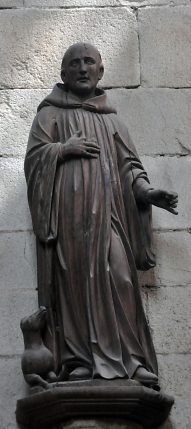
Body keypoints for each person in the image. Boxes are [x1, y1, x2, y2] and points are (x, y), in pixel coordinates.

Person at [24, 43, 178, 387]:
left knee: (121, 278)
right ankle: (79, 359)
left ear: (100, 71)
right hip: (69, 221)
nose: (82, 68)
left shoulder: (112, 120)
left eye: (88, 62)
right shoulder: (49, 115)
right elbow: (34, 162)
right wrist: (63, 149)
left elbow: (129, 168)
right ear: (63, 74)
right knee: (75, 283)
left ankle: (132, 359)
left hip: (109, 216)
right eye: (74, 64)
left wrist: (146, 192)